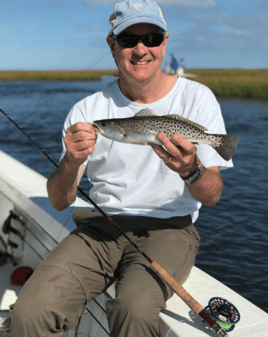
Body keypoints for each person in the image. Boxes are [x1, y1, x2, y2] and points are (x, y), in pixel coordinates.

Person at [10, 0, 233, 336]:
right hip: (98, 229)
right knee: (30, 310)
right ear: (112, 45)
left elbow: (213, 195)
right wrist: (71, 161)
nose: (141, 49)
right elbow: (59, 201)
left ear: (165, 43)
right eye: (129, 40)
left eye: (151, 38)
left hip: (169, 230)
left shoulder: (198, 98)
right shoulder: (87, 110)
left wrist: (192, 170)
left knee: (135, 310)